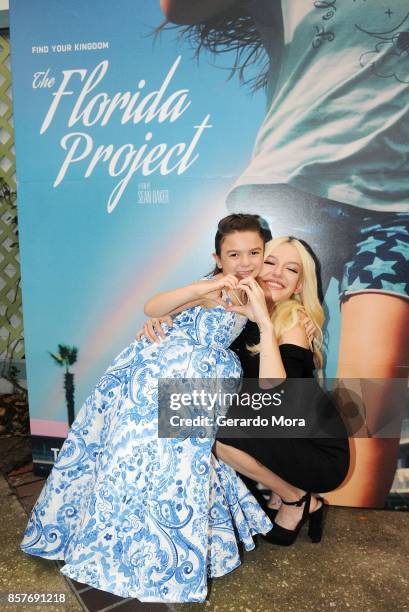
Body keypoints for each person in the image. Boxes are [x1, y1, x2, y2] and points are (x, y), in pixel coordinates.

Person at [160, 0, 409, 507]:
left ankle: (312, 502)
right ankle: (274, 492)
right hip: (290, 187)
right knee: (247, 354)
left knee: (370, 389)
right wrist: (165, 316)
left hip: (398, 204)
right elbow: (178, 6)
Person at [19, 214, 273, 604]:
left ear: (264, 253)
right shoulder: (209, 287)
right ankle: (106, 549)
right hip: (144, 371)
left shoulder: (260, 295)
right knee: (120, 455)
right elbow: (151, 306)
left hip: (198, 376)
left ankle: (165, 559)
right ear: (218, 257)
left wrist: (242, 303)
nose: (244, 262)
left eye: (254, 252)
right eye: (233, 254)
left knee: (176, 465)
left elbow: (260, 328)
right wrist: (196, 294)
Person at [214, 236, 350, 545]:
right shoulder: (237, 313)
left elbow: (273, 397)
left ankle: (296, 498)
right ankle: (284, 491)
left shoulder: (293, 322)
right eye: (271, 263)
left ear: (299, 285)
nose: (277, 274)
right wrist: (164, 318)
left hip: (319, 451)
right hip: (285, 436)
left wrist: (264, 321)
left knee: (219, 432)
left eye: (291, 270)